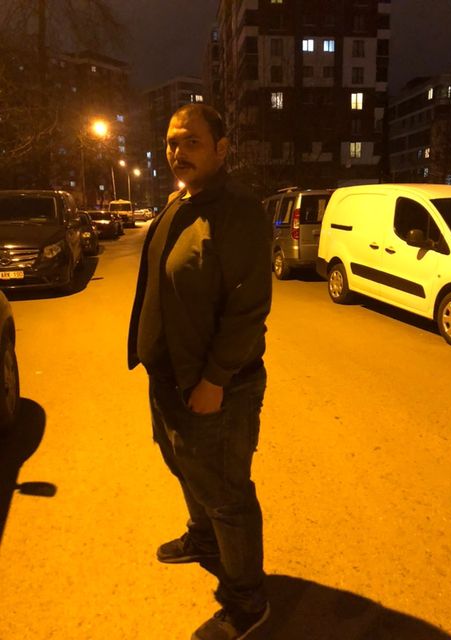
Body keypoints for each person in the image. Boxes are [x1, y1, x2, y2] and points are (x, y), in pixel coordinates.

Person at [128, 103, 272, 640]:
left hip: (217, 386)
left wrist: (215, 380)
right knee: (183, 466)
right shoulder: (179, 202)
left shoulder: (239, 211)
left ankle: (247, 601)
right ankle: (204, 538)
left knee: (227, 494)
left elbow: (248, 309)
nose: (177, 151)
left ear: (221, 149)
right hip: (167, 376)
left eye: (191, 141)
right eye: (172, 141)